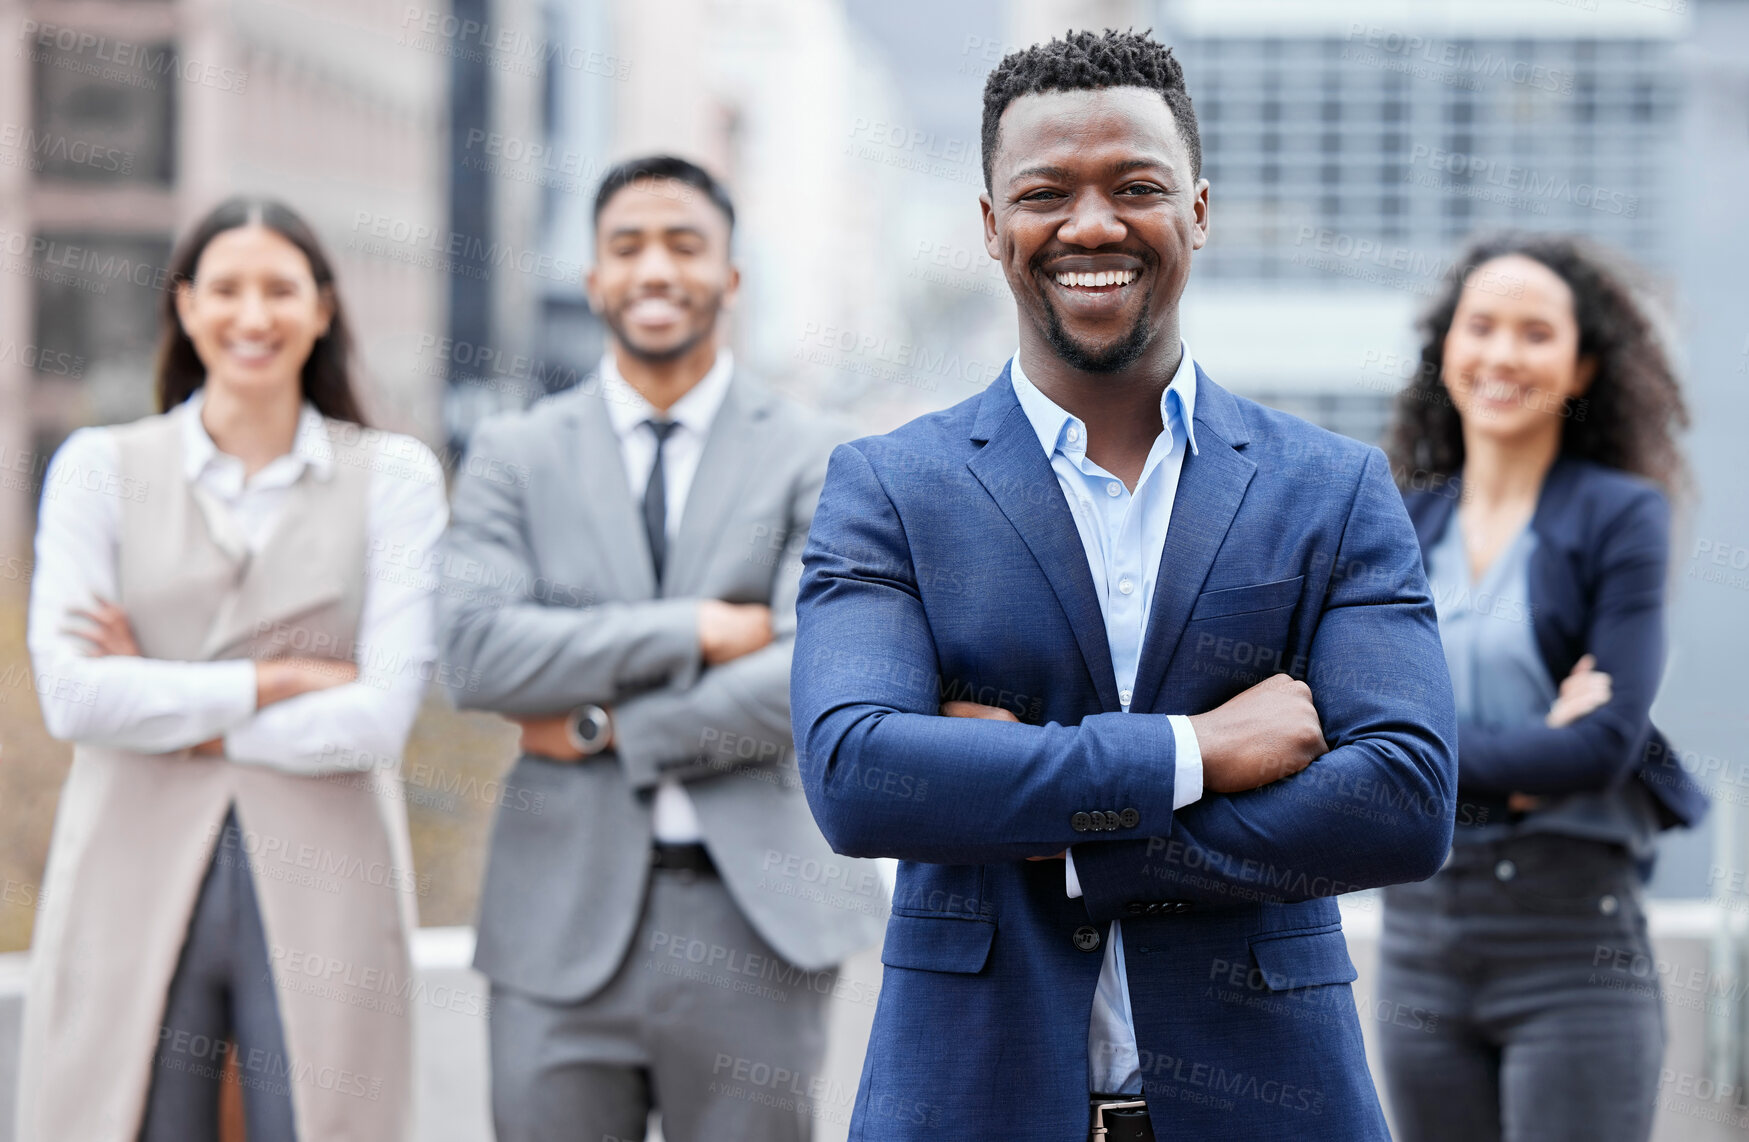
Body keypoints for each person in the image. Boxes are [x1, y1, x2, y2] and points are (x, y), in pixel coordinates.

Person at [791, 29, 1458, 1142]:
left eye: (1135, 186)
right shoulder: (890, 488)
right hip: (969, 1100)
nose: (1092, 224)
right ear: (992, 226)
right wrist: (1194, 753)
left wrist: (1063, 826)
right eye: (1046, 192)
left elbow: (1403, 796)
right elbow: (862, 775)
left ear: (1197, 211)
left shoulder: (1332, 489)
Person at [437, 154, 884, 1142]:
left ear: (730, 277)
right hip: (554, 924)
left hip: (756, 921)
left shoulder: (820, 451)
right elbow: (473, 651)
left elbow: (818, 670)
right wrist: (692, 630)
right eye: (626, 246)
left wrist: (601, 722)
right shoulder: (515, 454)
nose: (654, 269)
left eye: (684, 244)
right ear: (593, 277)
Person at [18, 197, 446, 1142]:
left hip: (329, 868)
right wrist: (279, 681)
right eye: (226, 290)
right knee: (121, 1115)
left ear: (324, 308)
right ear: (184, 305)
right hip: (124, 867)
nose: (253, 317)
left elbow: (377, 722)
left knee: (327, 1116)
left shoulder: (396, 476)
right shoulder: (97, 467)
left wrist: (164, 703)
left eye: (280, 290)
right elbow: (74, 695)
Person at [1376, 232, 1707, 1142]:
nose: (1502, 354)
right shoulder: (1397, 520)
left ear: (1580, 364)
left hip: (1570, 942)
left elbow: (1600, 747)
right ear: (1445, 349)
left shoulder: (1620, 515)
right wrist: (1522, 761)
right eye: (1480, 326)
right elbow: (1349, 733)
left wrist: (1426, 759)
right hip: (1419, 939)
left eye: (1535, 333)